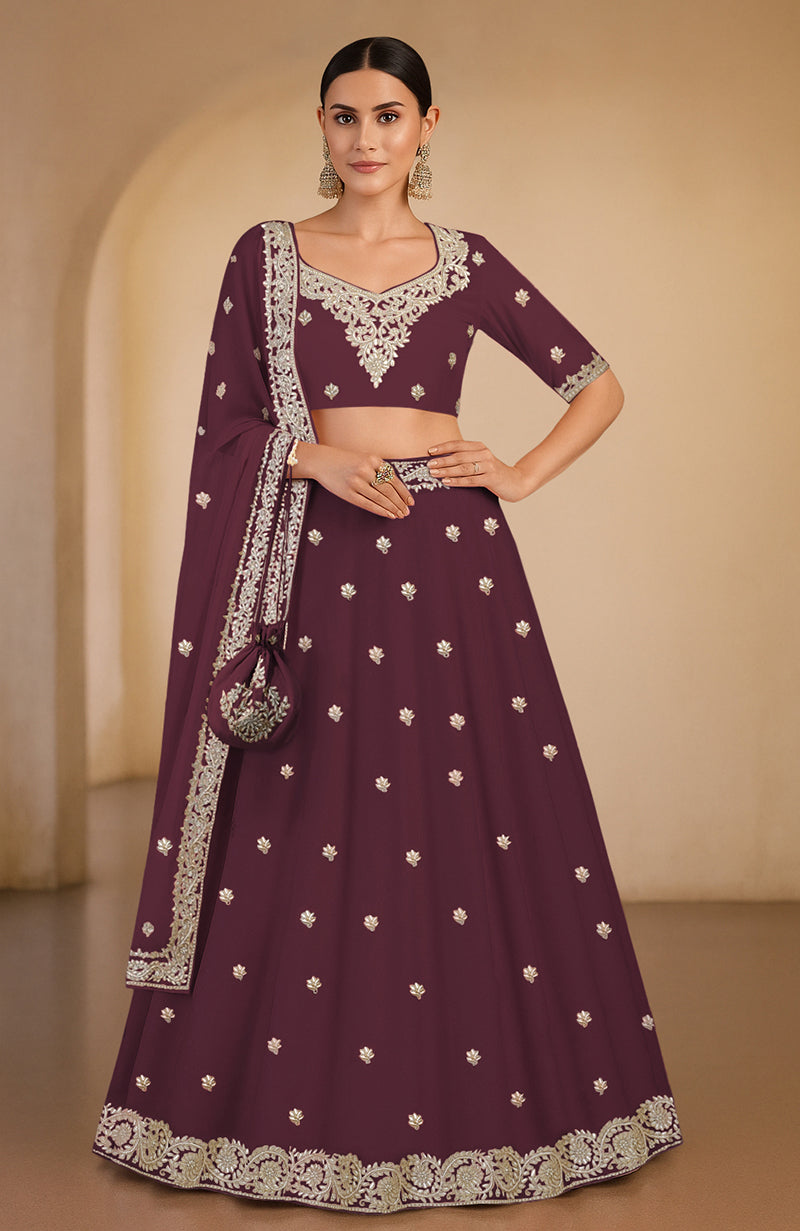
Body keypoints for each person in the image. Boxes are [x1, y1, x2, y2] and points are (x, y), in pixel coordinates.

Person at [93, 35, 682, 1213]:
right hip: (310, 561)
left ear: (427, 126)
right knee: (301, 813)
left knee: (465, 813)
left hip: (450, 564)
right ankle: (256, 1109)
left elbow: (595, 380)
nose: (367, 138)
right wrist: (305, 455)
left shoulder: (464, 263)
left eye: (389, 115)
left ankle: (495, 1101)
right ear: (319, 127)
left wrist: (514, 472)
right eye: (345, 116)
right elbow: (223, 420)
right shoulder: (263, 255)